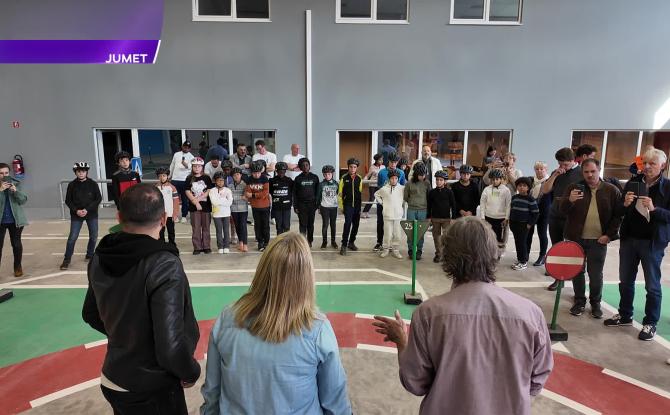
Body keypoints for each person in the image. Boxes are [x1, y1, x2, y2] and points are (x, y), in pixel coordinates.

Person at [372, 217, 553, 415]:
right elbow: (536, 382)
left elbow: (415, 383)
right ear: (494, 254)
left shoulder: (429, 315)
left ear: (448, 257)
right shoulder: (530, 313)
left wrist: (402, 342)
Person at [200, 232, 351, 414]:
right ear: (306, 278)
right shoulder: (317, 329)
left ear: (263, 270)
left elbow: (212, 393)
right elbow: (335, 405)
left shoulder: (228, 318)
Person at [82, 183, 200, 415]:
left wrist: (127, 337)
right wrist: (190, 371)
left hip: (114, 377)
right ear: (164, 218)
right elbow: (170, 346)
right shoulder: (164, 263)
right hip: (151, 388)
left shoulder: (101, 255)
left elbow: (91, 314)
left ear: (119, 216)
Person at [604, 148, 670, 341]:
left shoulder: (668, 188)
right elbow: (619, 212)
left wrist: (655, 209)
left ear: (663, 166)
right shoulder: (633, 183)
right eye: (645, 163)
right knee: (625, 281)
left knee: (652, 286)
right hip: (629, 240)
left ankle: (650, 322)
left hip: (652, 243)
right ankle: (625, 314)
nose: (647, 167)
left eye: (652, 164)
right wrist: (624, 204)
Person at [560, 158, 621, 318]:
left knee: (595, 274)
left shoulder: (611, 190)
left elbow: (618, 216)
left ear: (599, 170)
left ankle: (596, 304)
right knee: (577, 272)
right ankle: (579, 302)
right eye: (586, 172)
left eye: (593, 171)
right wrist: (570, 201)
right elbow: (562, 210)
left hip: (598, 240)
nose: (589, 175)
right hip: (576, 238)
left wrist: (609, 235)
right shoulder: (574, 188)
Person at [542, 147, 582, 290]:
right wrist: (554, 176)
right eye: (560, 164)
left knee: (572, 249)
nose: (562, 167)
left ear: (573, 161)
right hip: (555, 215)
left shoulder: (581, 173)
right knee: (557, 247)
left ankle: (574, 277)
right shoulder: (557, 172)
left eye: (565, 164)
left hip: (572, 217)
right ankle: (558, 279)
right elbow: (545, 190)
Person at [60, 162, 102, 270]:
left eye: (83, 171)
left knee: (93, 236)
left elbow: (98, 199)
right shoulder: (72, 185)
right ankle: (67, 259)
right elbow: (68, 200)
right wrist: (76, 210)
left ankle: (90, 255)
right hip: (76, 215)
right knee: (72, 237)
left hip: (91, 213)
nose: (81, 173)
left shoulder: (93, 184)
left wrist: (87, 209)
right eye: (78, 171)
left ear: (86, 172)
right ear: (75, 173)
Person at [0, 163, 28, 277]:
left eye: (6, 173)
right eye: (1, 173)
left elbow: (23, 200)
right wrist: (0, 190)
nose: (4, 175)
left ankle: (18, 267)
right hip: (1, 221)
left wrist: (15, 191)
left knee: (16, 245)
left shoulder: (16, 183)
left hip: (15, 220)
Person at [374, 153, 406, 251]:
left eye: (395, 162)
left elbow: (402, 187)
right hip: (384, 201)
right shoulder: (381, 172)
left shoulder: (401, 173)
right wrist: (382, 202)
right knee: (380, 222)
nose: (393, 164)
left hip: (394, 204)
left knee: (395, 225)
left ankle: (392, 245)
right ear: (388, 161)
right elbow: (380, 187)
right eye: (392, 162)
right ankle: (379, 242)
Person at [509, 177, 539, 271]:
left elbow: (536, 213)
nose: (522, 187)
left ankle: (523, 262)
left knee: (522, 243)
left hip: (524, 225)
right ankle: (519, 260)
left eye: (524, 186)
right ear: (517, 187)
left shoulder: (530, 199)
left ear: (528, 188)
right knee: (517, 242)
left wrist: (530, 224)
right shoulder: (514, 198)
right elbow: (511, 210)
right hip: (514, 224)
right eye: (520, 185)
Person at [479, 169, 511, 255]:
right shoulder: (487, 189)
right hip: (488, 217)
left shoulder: (506, 190)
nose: (494, 181)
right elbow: (482, 203)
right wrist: (482, 217)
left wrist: (507, 218)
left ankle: (498, 253)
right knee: (488, 236)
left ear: (501, 179)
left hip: (501, 218)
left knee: (499, 237)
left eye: (497, 179)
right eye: (493, 179)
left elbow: (508, 205)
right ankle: (489, 253)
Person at [186, 157, 213, 255]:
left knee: (206, 226)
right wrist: (195, 202)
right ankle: (197, 247)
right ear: (192, 167)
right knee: (196, 227)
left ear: (202, 167)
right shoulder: (189, 178)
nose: (197, 168)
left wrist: (199, 200)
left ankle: (206, 246)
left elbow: (209, 190)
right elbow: (187, 191)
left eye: (199, 166)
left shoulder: (206, 178)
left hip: (206, 206)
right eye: (194, 166)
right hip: (194, 207)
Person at [427, 171, 456, 263]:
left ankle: (446, 255)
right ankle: (438, 254)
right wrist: (429, 217)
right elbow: (429, 206)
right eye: (437, 180)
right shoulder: (432, 192)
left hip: (446, 219)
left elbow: (453, 205)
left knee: (446, 237)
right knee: (436, 237)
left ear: (445, 182)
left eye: (441, 180)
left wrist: (453, 218)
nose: (439, 182)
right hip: (435, 219)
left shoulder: (449, 192)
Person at [404, 162, 431, 260]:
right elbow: (406, 197)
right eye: (420, 175)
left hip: (423, 210)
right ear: (415, 174)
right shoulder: (409, 183)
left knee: (421, 231)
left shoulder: (427, 183)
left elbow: (429, 197)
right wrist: (412, 202)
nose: (422, 176)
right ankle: (411, 250)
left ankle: (419, 250)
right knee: (410, 231)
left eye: (424, 174)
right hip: (411, 209)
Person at [339, 157, 363, 256]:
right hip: (348, 205)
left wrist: (360, 207)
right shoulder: (344, 178)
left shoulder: (359, 178)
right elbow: (340, 194)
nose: (352, 169)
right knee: (347, 224)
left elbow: (359, 193)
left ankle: (351, 242)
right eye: (351, 167)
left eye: (354, 167)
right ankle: (344, 245)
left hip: (357, 206)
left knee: (356, 225)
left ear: (356, 168)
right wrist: (341, 206)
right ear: (348, 167)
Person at [293, 158, 320, 247]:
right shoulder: (297, 179)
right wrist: (295, 206)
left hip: (312, 205)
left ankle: (310, 241)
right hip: (301, 205)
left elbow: (317, 192)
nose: (305, 167)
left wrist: (317, 204)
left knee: (310, 224)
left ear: (309, 166)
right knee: (302, 224)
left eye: (307, 165)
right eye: (303, 165)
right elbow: (295, 194)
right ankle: (303, 241)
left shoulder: (315, 177)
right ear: (300, 167)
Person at [528, 161, 550, 266]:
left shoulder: (550, 181)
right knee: (528, 234)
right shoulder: (530, 180)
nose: (539, 171)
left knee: (542, 234)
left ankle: (542, 256)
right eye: (537, 169)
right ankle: (525, 255)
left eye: (542, 169)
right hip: (531, 212)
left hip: (544, 212)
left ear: (546, 170)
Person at [246, 161, 271, 251]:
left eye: (258, 173)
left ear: (261, 172)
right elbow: (247, 192)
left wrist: (253, 195)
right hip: (255, 206)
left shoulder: (264, 179)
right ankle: (260, 242)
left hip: (265, 206)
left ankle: (266, 242)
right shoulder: (249, 179)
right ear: (251, 172)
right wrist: (254, 195)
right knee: (258, 225)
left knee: (265, 224)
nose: (256, 175)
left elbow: (265, 193)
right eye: (254, 173)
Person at [169, 141, 195, 223]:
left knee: (185, 199)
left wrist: (185, 164)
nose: (186, 148)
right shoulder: (176, 154)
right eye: (184, 146)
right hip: (175, 180)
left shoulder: (191, 157)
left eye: (187, 147)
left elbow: (191, 168)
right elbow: (172, 165)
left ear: (190, 148)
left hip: (184, 180)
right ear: (182, 146)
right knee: (174, 199)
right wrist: (169, 176)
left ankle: (184, 216)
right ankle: (175, 215)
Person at [155, 167, 180, 248]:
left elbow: (176, 202)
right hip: (160, 215)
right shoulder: (155, 188)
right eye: (160, 176)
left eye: (164, 175)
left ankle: (172, 244)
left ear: (167, 176)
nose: (162, 178)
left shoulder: (172, 188)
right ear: (158, 177)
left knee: (171, 231)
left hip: (170, 214)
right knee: (160, 231)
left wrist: (175, 213)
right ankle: (161, 245)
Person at [210, 171, 233, 254]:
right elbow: (214, 202)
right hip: (217, 214)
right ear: (215, 181)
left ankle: (226, 246)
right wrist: (224, 200)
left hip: (226, 214)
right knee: (219, 231)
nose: (220, 182)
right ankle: (220, 246)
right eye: (219, 180)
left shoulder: (228, 190)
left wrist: (219, 200)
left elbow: (229, 202)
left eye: (222, 180)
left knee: (226, 231)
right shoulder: (212, 191)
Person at [317, 165, 339, 249]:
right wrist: (319, 207)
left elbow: (338, 194)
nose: (327, 176)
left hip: (333, 207)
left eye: (329, 174)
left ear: (332, 174)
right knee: (325, 225)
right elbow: (318, 196)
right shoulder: (321, 184)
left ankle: (333, 242)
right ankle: (324, 242)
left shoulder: (336, 183)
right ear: (323, 175)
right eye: (325, 174)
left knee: (333, 225)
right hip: (324, 207)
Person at [269, 161, 293, 234]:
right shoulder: (272, 181)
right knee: (279, 227)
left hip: (286, 207)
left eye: (283, 171)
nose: (281, 173)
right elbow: (269, 193)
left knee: (286, 226)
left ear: (285, 171)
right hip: (276, 207)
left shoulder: (289, 180)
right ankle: (279, 243)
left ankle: (287, 242)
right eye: (279, 171)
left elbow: (293, 192)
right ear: (276, 171)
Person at [229, 167, 249, 252]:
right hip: (233, 209)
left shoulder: (245, 184)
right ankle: (240, 242)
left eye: (238, 174)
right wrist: (240, 197)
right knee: (237, 226)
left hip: (243, 209)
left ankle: (245, 244)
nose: (236, 176)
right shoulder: (230, 185)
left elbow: (246, 197)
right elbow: (230, 198)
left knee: (243, 226)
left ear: (241, 175)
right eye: (234, 175)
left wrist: (236, 197)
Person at [362, 153, 384, 219]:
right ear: (376, 160)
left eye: (382, 159)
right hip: (372, 185)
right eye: (380, 160)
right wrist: (364, 180)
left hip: (380, 185)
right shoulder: (372, 167)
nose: (381, 161)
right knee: (372, 199)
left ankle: (381, 213)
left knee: (381, 199)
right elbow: (368, 175)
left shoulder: (383, 167)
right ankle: (364, 212)